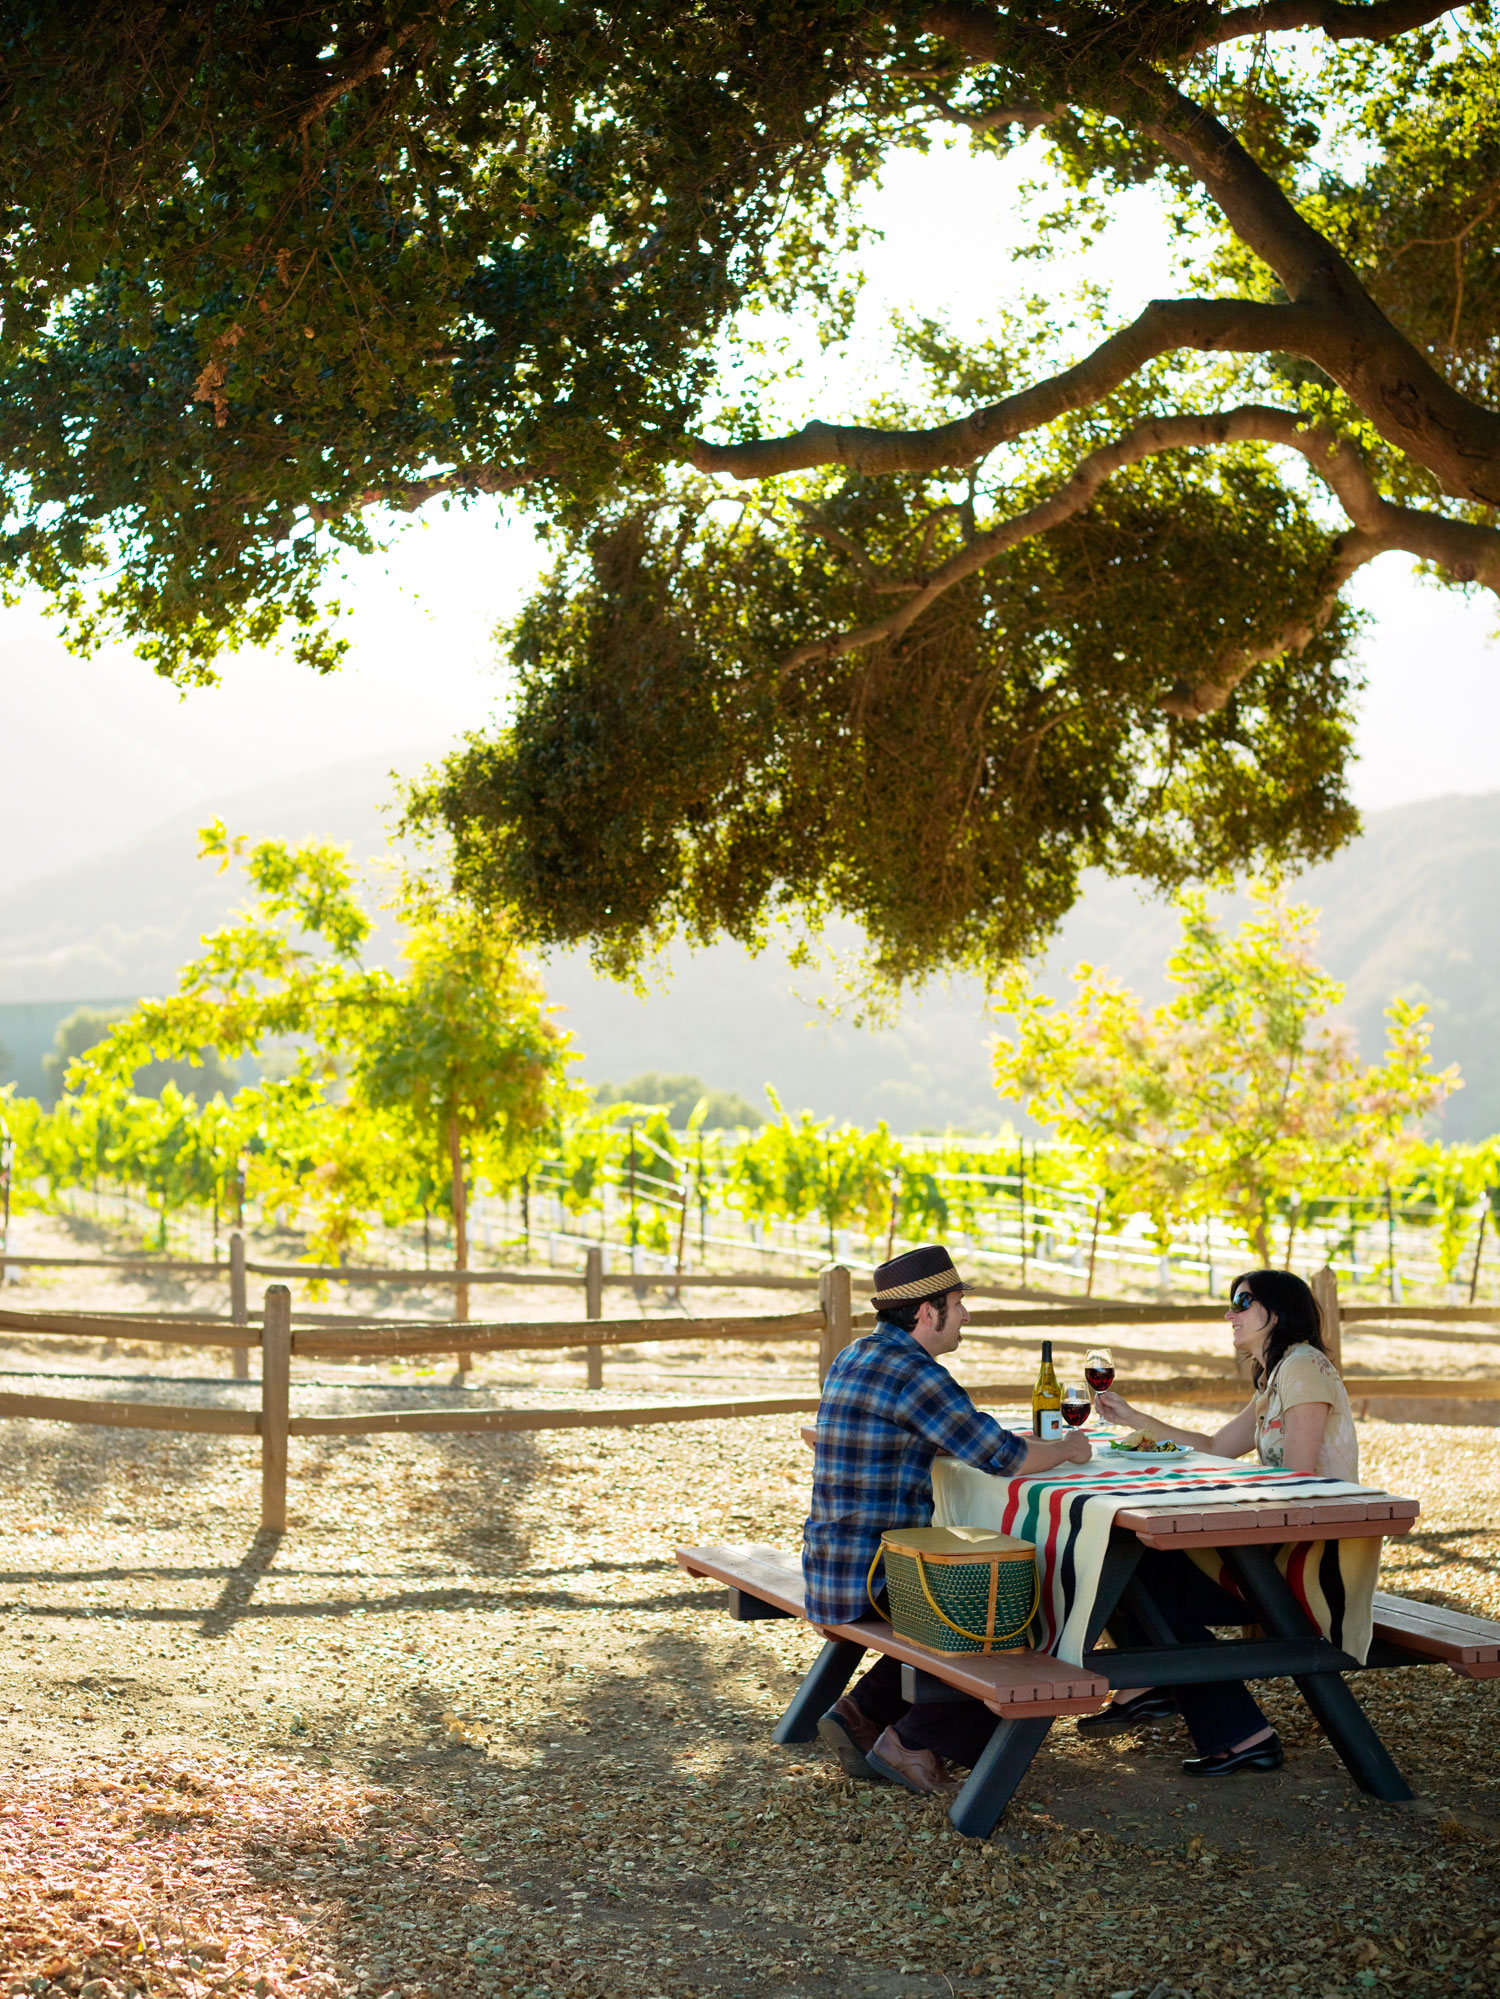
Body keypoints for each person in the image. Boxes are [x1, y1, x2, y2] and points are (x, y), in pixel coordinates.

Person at [803, 1243, 1091, 1795]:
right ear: (927, 1311)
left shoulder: (856, 1355)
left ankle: (862, 1712)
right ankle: (915, 1742)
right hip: (873, 1577)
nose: (965, 1315)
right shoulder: (915, 1374)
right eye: (957, 1304)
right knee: (1011, 1613)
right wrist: (1070, 1450)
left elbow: (949, 1437)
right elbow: (1004, 1457)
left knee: (973, 1590)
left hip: (831, 1562)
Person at [1086, 1266, 1359, 1776]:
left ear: (1276, 1312)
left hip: (1314, 1563)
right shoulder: (1277, 1376)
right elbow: (1215, 1448)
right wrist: (1134, 1419)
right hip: (1278, 1545)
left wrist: (1214, 1497)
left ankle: (1231, 1728)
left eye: (1242, 1301)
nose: (1229, 1313)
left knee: (1149, 1581)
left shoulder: (1304, 1367)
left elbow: (1296, 1478)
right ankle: (1161, 1689)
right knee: (1135, 1569)